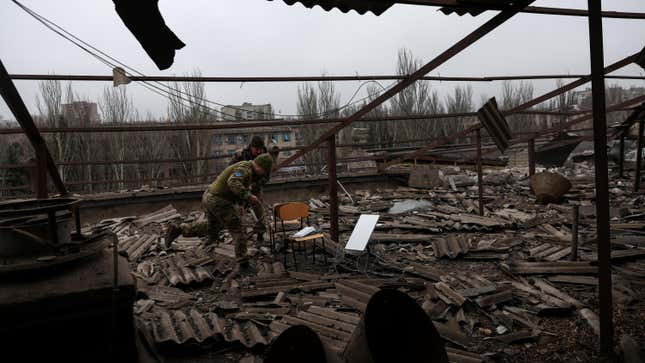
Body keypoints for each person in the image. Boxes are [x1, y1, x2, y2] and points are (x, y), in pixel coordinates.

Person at [166, 153, 274, 267]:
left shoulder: (247, 170)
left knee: (212, 228)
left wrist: (242, 203)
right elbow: (233, 182)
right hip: (218, 200)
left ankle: (179, 229)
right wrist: (248, 196)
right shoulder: (244, 169)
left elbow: (238, 188)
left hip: (210, 197)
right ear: (260, 167)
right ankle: (243, 264)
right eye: (264, 172)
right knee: (238, 230)